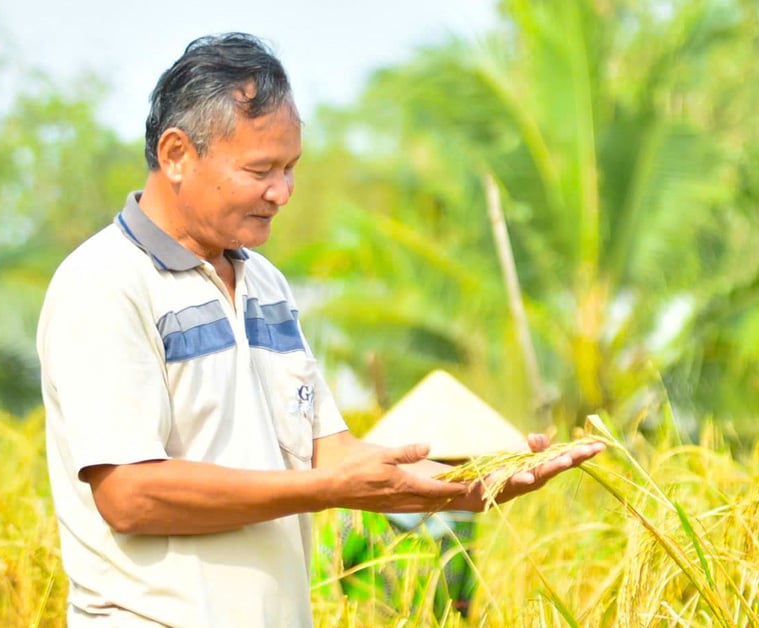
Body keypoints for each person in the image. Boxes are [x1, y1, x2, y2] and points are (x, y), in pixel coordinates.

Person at [36, 32, 605, 627]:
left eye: (290, 168)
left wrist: (466, 484)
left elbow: (331, 453)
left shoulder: (268, 287)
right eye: (261, 169)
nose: (281, 192)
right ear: (177, 155)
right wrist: (329, 489)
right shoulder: (104, 282)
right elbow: (130, 495)